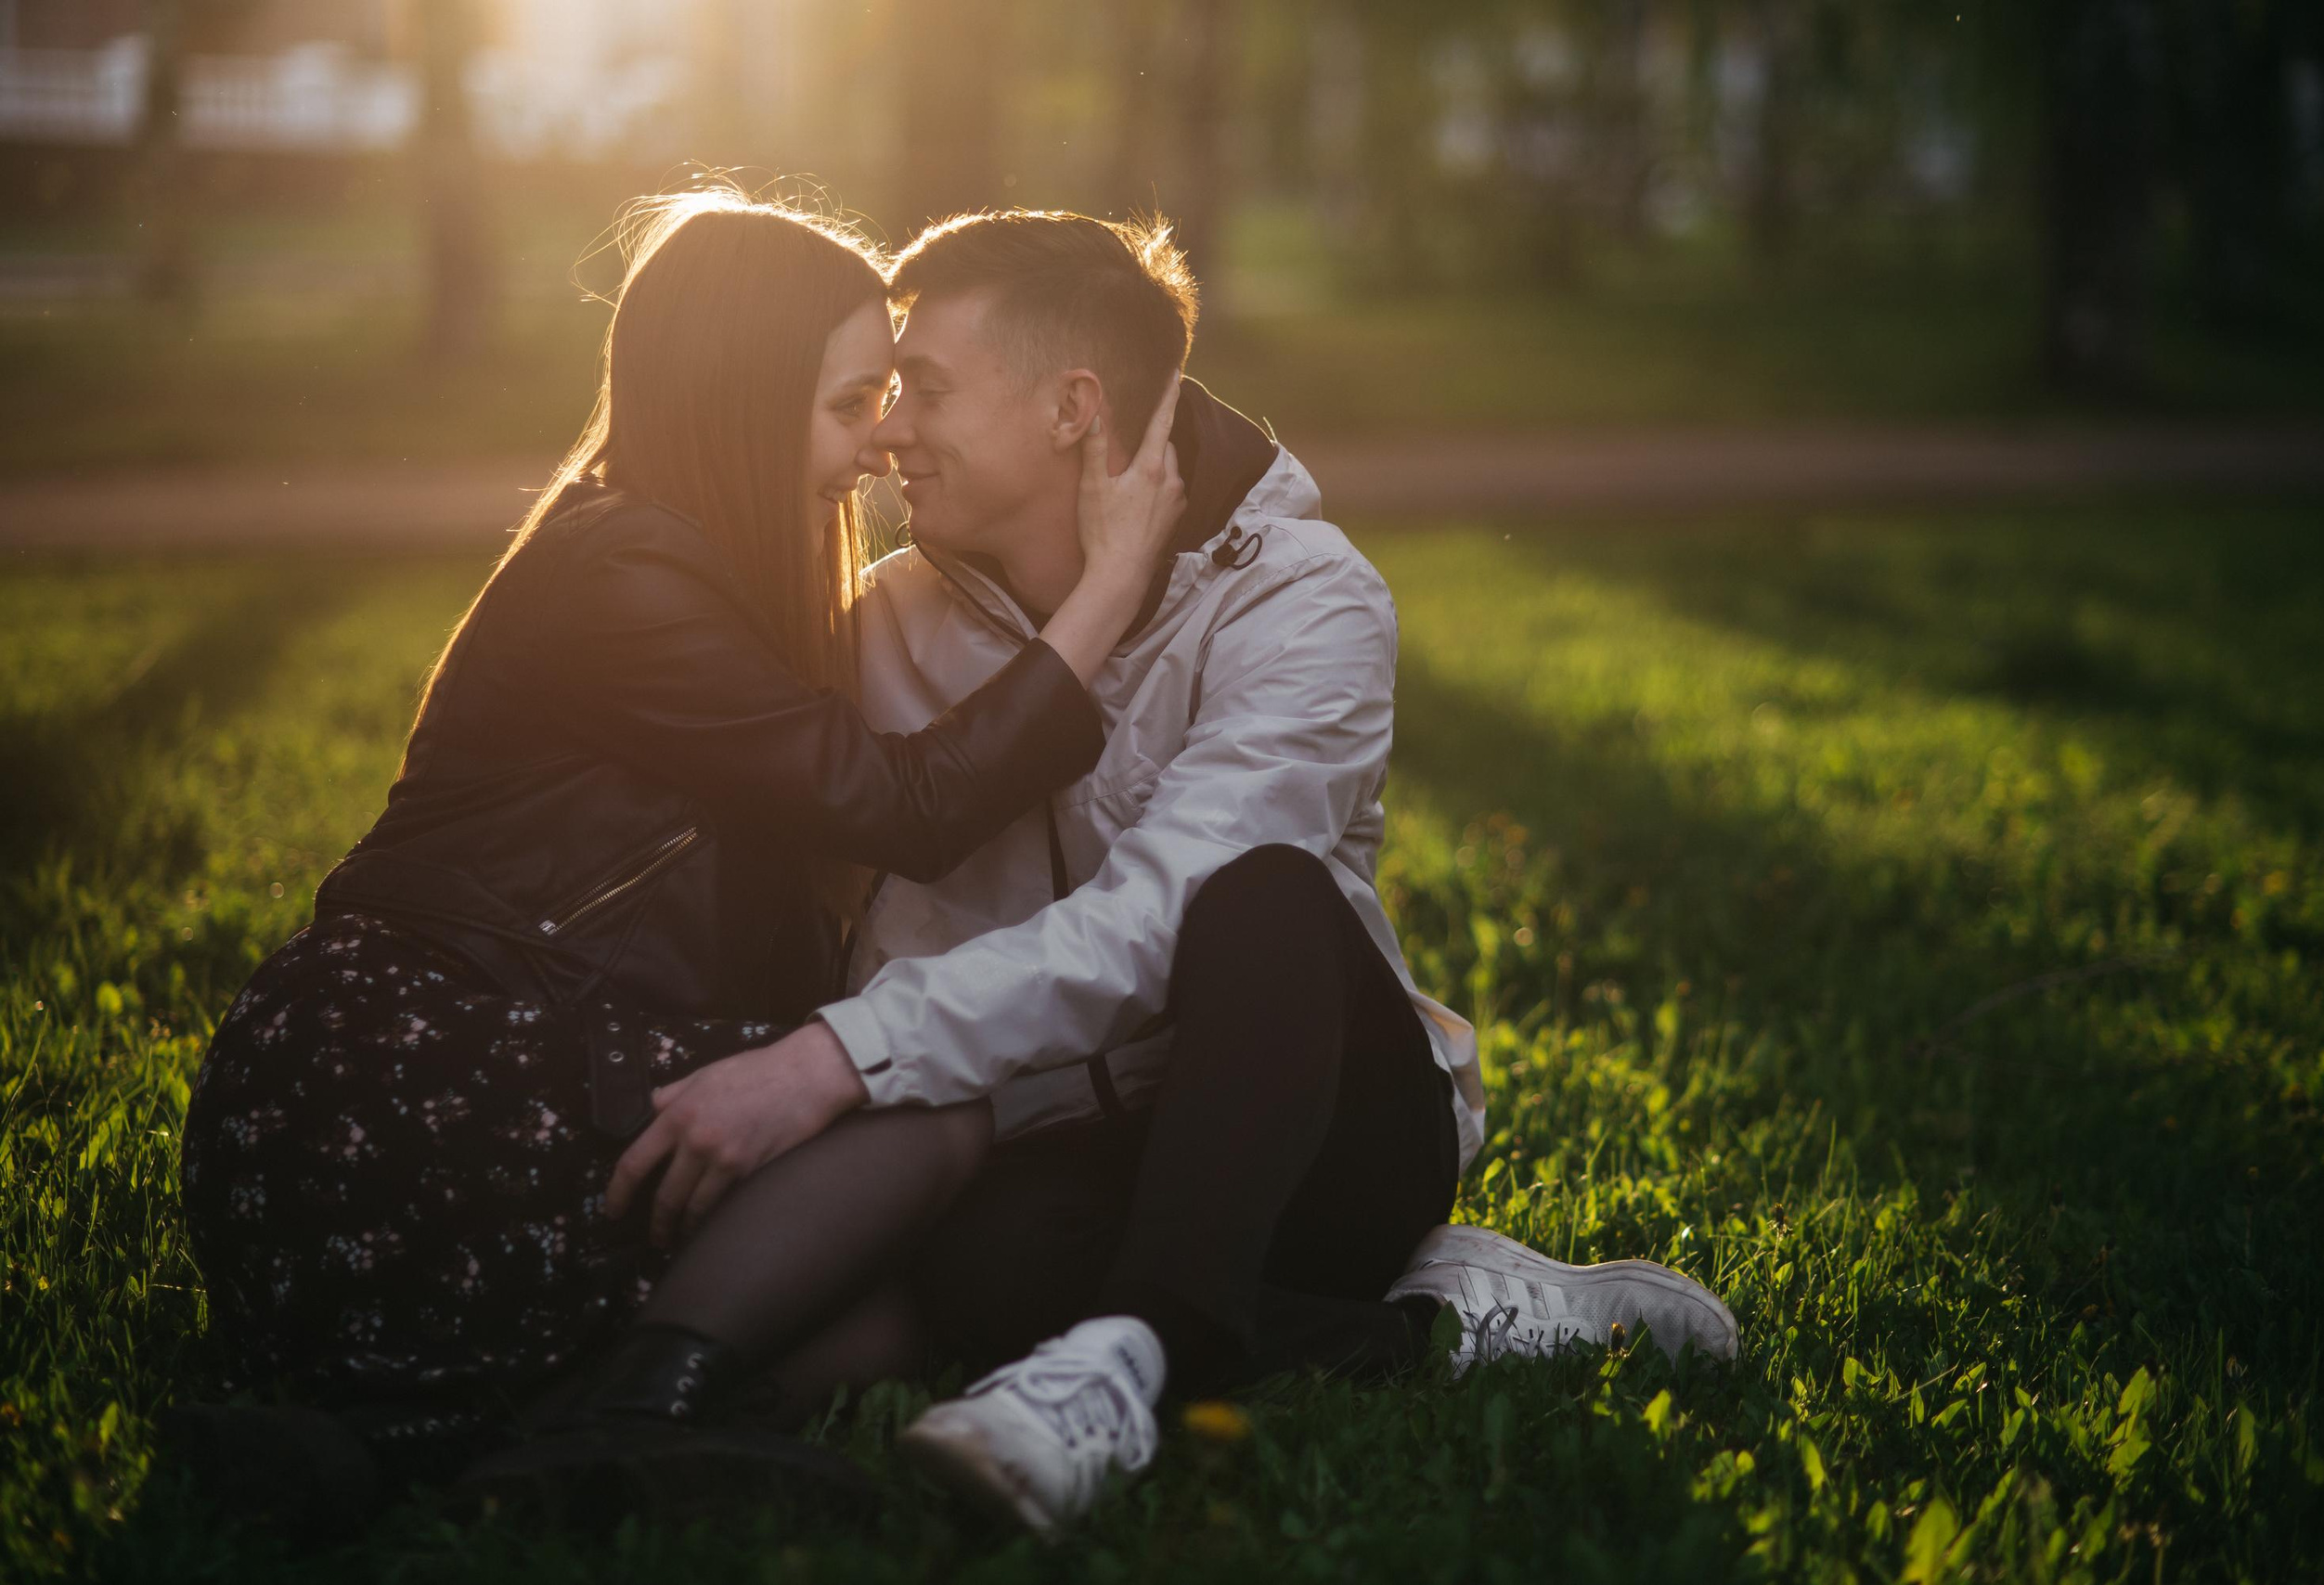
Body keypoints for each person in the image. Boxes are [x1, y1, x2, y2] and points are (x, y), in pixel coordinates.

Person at [728, 209, 1742, 1536]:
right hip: (1075, 1136)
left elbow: (1156, 927)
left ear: (1071, 409)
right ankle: (1441, 1323)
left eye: (926, 388)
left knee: (1255, 892)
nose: (888, 429)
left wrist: (833, 1057)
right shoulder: (891, 622)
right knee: (979, 1280)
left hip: (1317, 1123)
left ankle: (1126, 1362)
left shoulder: (1305, 600)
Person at [174, 188, 1188, 1493]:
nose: (881, 443)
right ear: (736, 396)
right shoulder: (626, 574)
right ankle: (613, 1420)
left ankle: (500, 1447)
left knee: (887, 1318)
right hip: (408, 1089)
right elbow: (909, 808)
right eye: (849, 404)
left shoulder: (683, 561)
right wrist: (1105, 594)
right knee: (928, 1106)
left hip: (518, 1064)